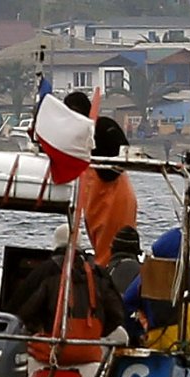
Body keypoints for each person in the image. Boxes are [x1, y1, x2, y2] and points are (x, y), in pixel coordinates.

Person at [10, 224, 124, 365]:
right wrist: (97, 334)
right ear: (80, 245)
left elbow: (19, 312)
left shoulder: (45, 272)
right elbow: (118, 314)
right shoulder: (99, 274)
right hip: (89, 356)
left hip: (50, 354)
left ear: (55, 244)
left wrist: (37, 330)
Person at [62, 91, 139, 268]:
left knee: (112, 248)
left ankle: (111, 275)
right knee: (100, 246)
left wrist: (92, 142)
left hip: (114, 197)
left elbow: (118, 160)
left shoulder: (103, 126)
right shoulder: (77, 137)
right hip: (94, 200)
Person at [122, 227, 190, 352]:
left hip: (158, 339)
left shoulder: (146, 277)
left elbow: (127, 304)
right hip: (188, 335)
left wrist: (136, 331)